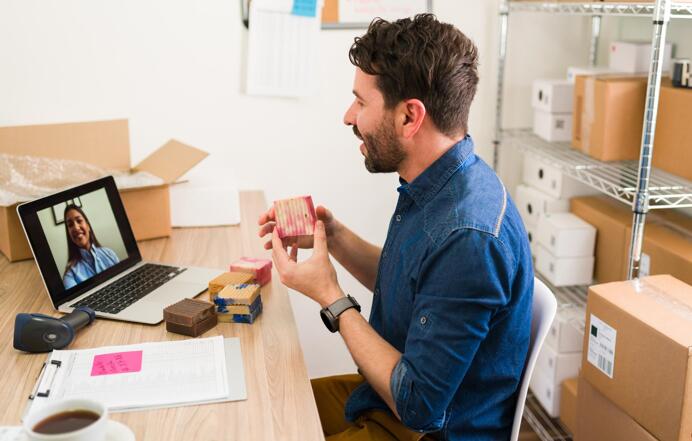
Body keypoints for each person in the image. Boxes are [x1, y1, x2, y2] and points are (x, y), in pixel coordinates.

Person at [258, 14, 533, 441]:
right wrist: (334, 238)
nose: (348, 117)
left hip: (423, 427)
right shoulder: (434, 184)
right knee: (263, 405)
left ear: (410, 117)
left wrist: (330, 296)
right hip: (382, 400)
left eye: (361, 102)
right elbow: (408, 284)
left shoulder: (468, 237)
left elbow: (418, 404)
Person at [62, 204, 119, 289]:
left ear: (88, 226)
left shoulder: (110, 253)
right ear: (69, 234)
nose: (76, 227)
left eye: (79, 220)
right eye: (70, 225)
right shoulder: (70, 275)